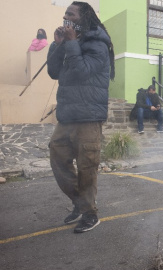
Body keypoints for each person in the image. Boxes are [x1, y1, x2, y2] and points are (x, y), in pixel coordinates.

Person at [47, 1, 115, 233]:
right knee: (57, 157)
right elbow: (54, 72)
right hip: (68, 115)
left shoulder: (98, 42)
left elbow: (82, 71)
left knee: (87, 166)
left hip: (88, 115)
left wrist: (72, 43)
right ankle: (80, 203)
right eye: (65, 13)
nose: (65, 17)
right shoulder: (70, 42)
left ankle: (90, 213)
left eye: (71, 14)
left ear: (84, 17)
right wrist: (58, 45)